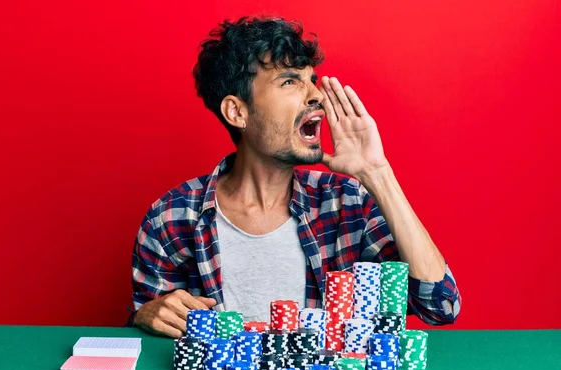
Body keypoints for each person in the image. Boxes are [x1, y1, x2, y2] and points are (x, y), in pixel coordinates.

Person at [129, 16, 461, 338]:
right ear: (237, 112)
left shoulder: (347, 203)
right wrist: (145, 315)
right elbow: (152, 342)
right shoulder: (170, 218)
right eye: (290, 81)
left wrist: (377, 173)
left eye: (311, 80)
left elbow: (439, 305)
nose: (315, 95)